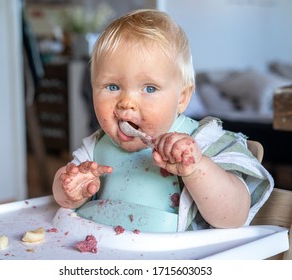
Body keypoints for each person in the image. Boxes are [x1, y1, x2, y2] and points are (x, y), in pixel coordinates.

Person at [52, 9, 274, 232]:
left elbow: (233, 217)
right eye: (112, 87)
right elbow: (62, 200)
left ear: (182, 98)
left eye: (149, 88)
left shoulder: (205, 142)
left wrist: (196, 169)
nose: (126, 102)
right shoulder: (95, 148)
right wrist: (71, 189)